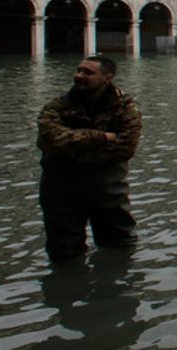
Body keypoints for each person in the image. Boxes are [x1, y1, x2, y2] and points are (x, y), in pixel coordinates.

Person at [37, 56, 143, 261]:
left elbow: (126, 147)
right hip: (60, 189)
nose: (79, 76)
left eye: (88, 72)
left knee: (119, 243)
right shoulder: (57, 104)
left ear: (107, 78)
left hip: (107, 189)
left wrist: (73, 147)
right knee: (63, 251)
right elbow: (50, 139)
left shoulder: (126, 106)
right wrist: (101, 137)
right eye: (78, 70)